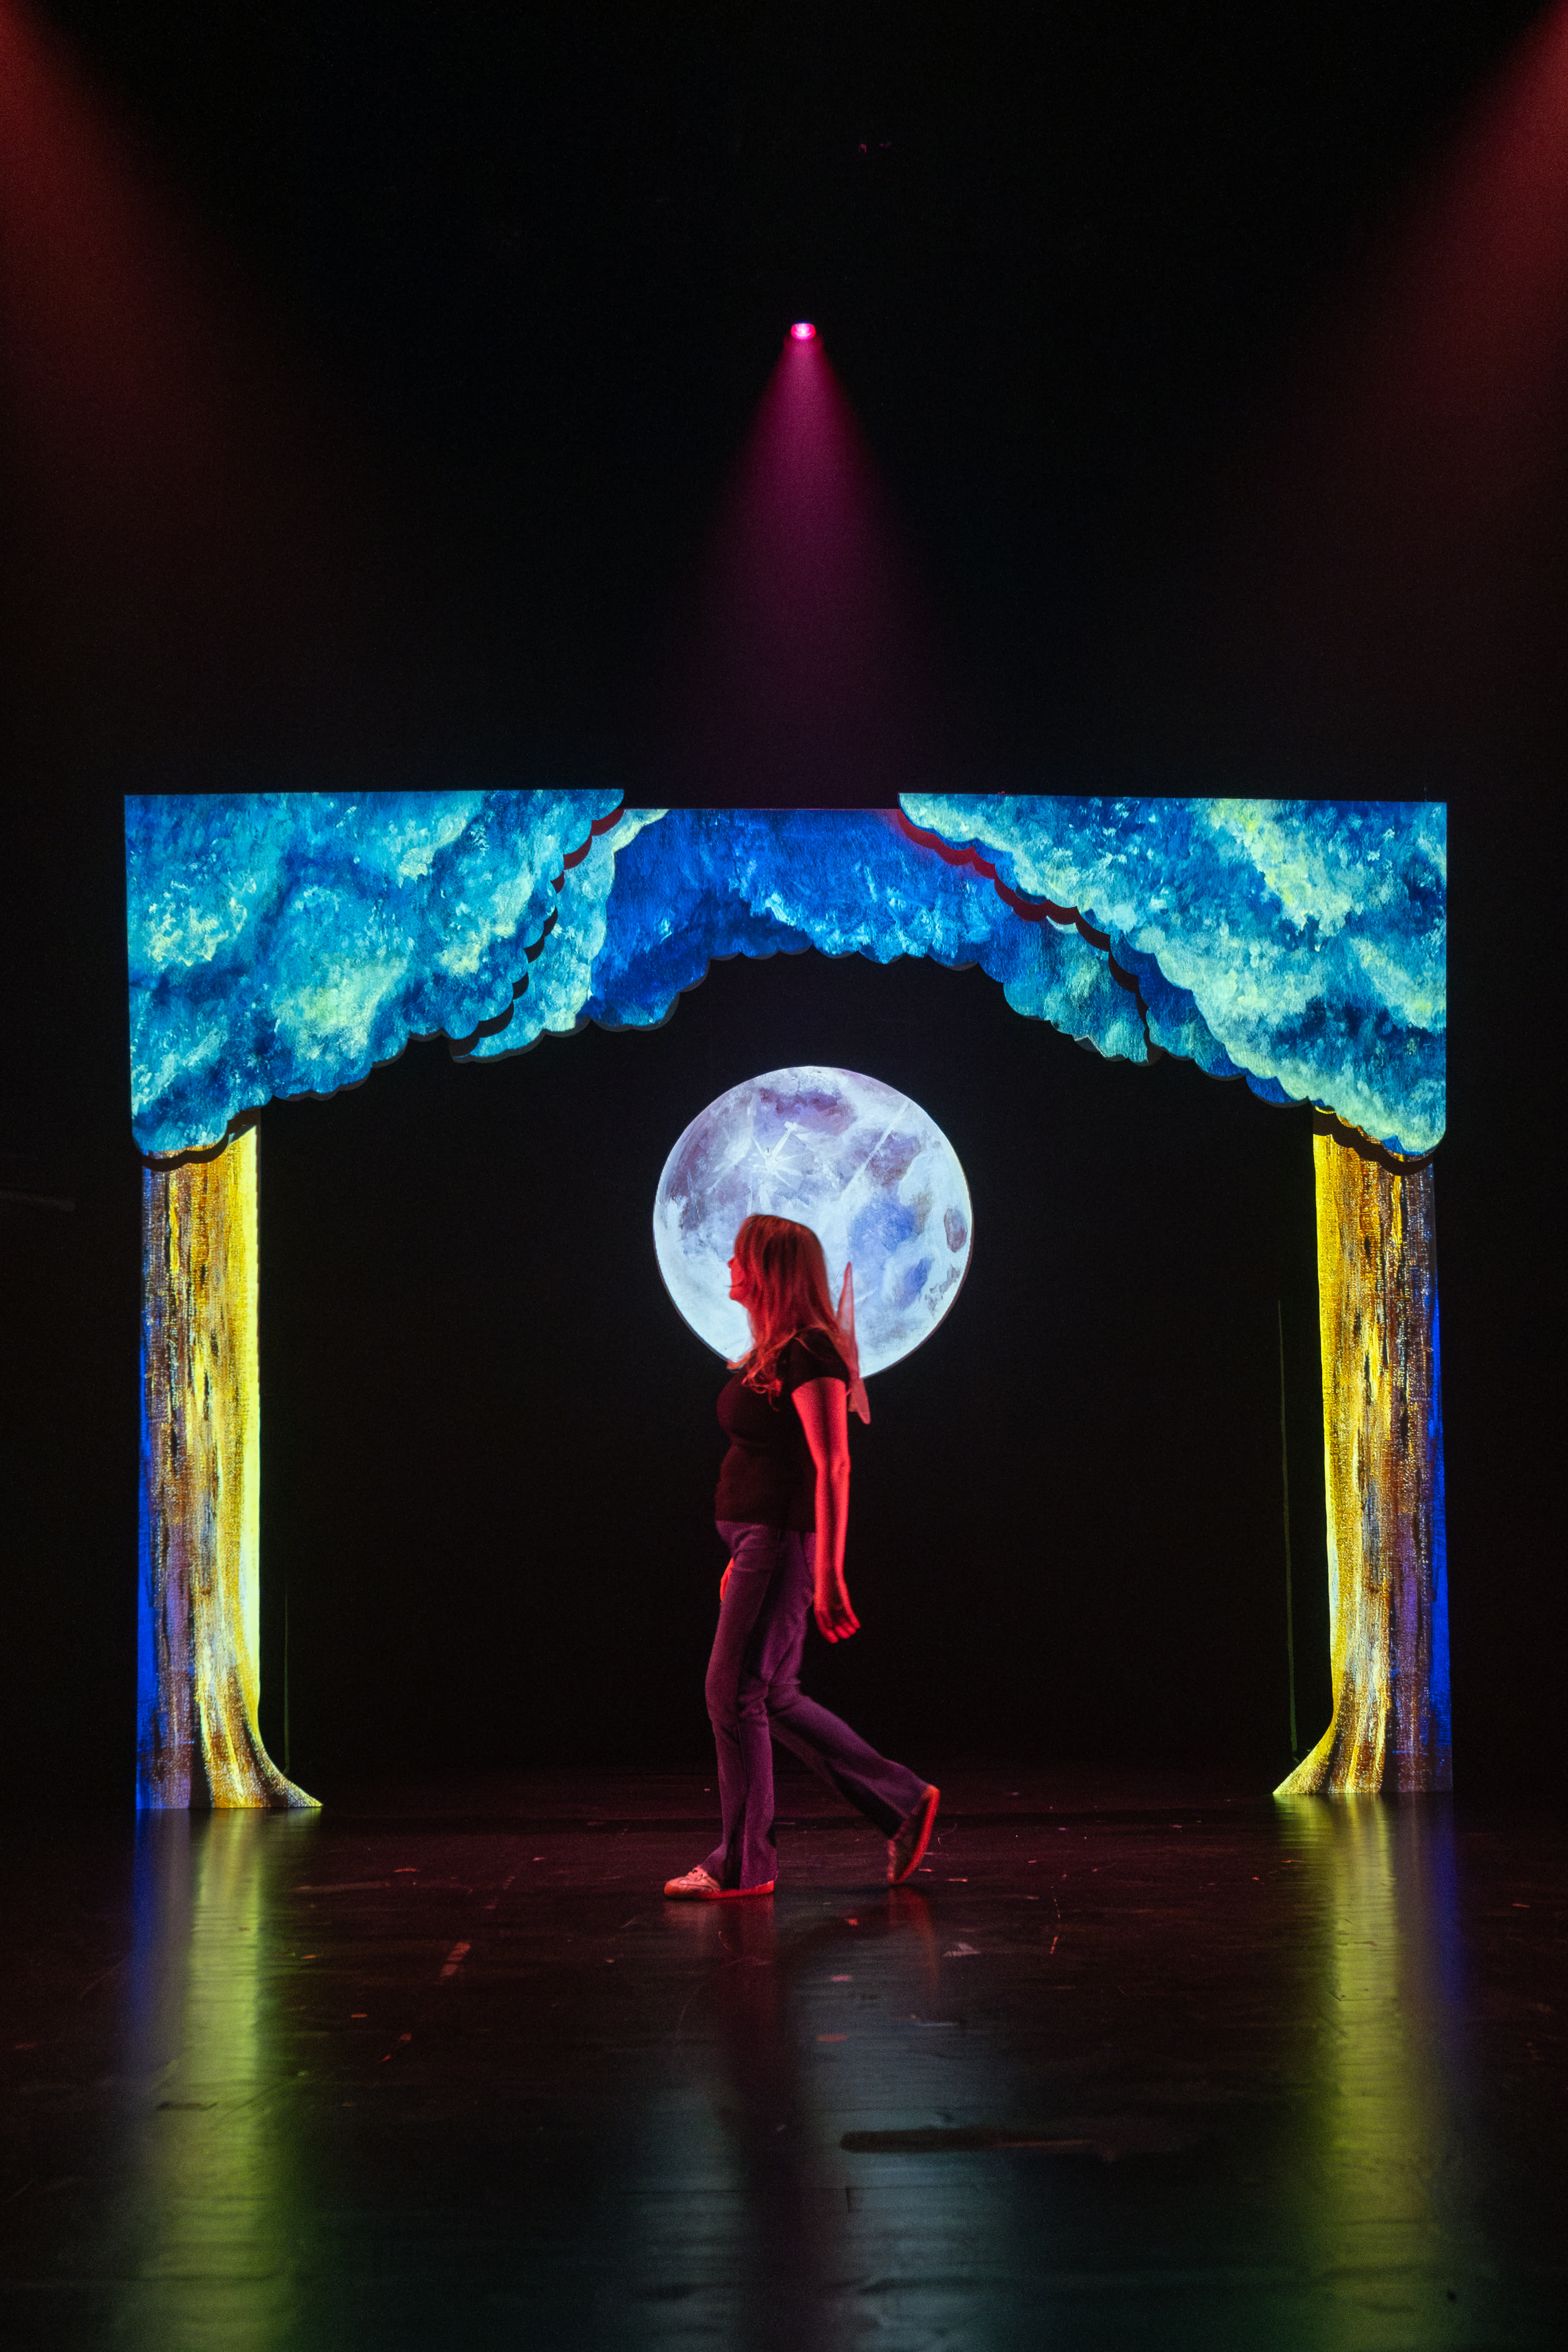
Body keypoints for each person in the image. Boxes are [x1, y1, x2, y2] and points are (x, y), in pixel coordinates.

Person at [664, 1212, 940, 1900]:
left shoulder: (813, 1351)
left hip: (781, 1544)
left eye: (738, 1256)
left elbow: (834, 1464)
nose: (727, 1266)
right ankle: (902, 1800)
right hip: (759, 1544)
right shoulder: (775, 1350)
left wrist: (827, 1573)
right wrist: (744, 1552)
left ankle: (744, 1863)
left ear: (767, 1270)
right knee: (773, 1696)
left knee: (731, 1693)